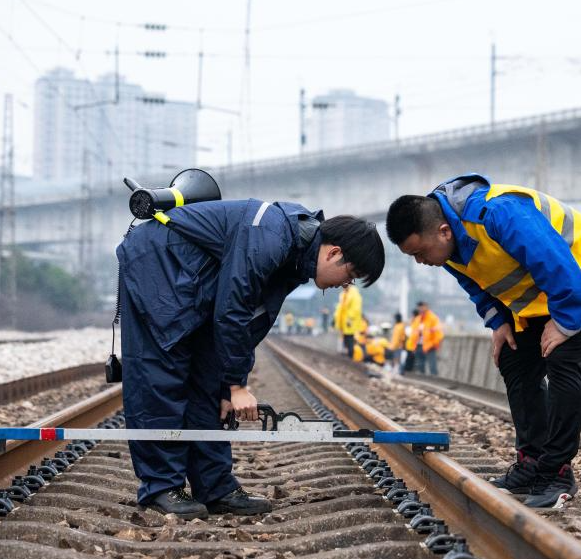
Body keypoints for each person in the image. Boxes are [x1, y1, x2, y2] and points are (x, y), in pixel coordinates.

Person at [117, 201, 385, 519]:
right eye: (350, 275)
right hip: (159, 264)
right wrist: (237, 384)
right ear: (333, 253)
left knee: (210, 381)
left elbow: (252, 319)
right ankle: (161, 487)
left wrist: (227, 383)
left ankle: (215, 487)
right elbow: (234, 308)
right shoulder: (272, 235)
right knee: (160, 373)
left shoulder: (296, 255)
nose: (345, 285)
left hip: (194, 280)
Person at [386, 173, 581, 509]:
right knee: (514, 358)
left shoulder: (499, 213)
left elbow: (557, 265)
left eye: (420, 252)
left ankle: (557, 472)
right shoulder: (450, 245)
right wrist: (498, 322)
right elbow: (477, 284)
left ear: (442, 231)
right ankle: (531, 462)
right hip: (547, 294)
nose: (420, 261)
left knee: (563, 360)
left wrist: (565, 322)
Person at [333, 282, 362, 359]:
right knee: (345, 338)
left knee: (349, 338)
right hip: (343, 321)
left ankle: (351, 355)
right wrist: (336, 319)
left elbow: (356, 308)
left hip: (350, 321)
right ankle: (348, 355)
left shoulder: (354, 294)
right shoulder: (343, 294)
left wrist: (350, 318)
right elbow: (340, 308)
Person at [415, 301, 444, 376]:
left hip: (430, 346)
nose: (421, 308)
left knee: (432, 366)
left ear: (426, 307)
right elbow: (414, 333)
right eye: (419, 306)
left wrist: (434, 343)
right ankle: (422, 381)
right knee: (420, 366)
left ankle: (435, 380)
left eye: (422, 306)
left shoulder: (433, 318)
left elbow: (438, 332)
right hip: (418, 345)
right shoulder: (417, 319)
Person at [403, 307, 420, 373]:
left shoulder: (416, 322)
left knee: (410, 361)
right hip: (411, 345)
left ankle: (408, 373)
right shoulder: (415, 322)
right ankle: (409, 373)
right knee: (410, 361)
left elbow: (412, 334)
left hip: (412, 345)